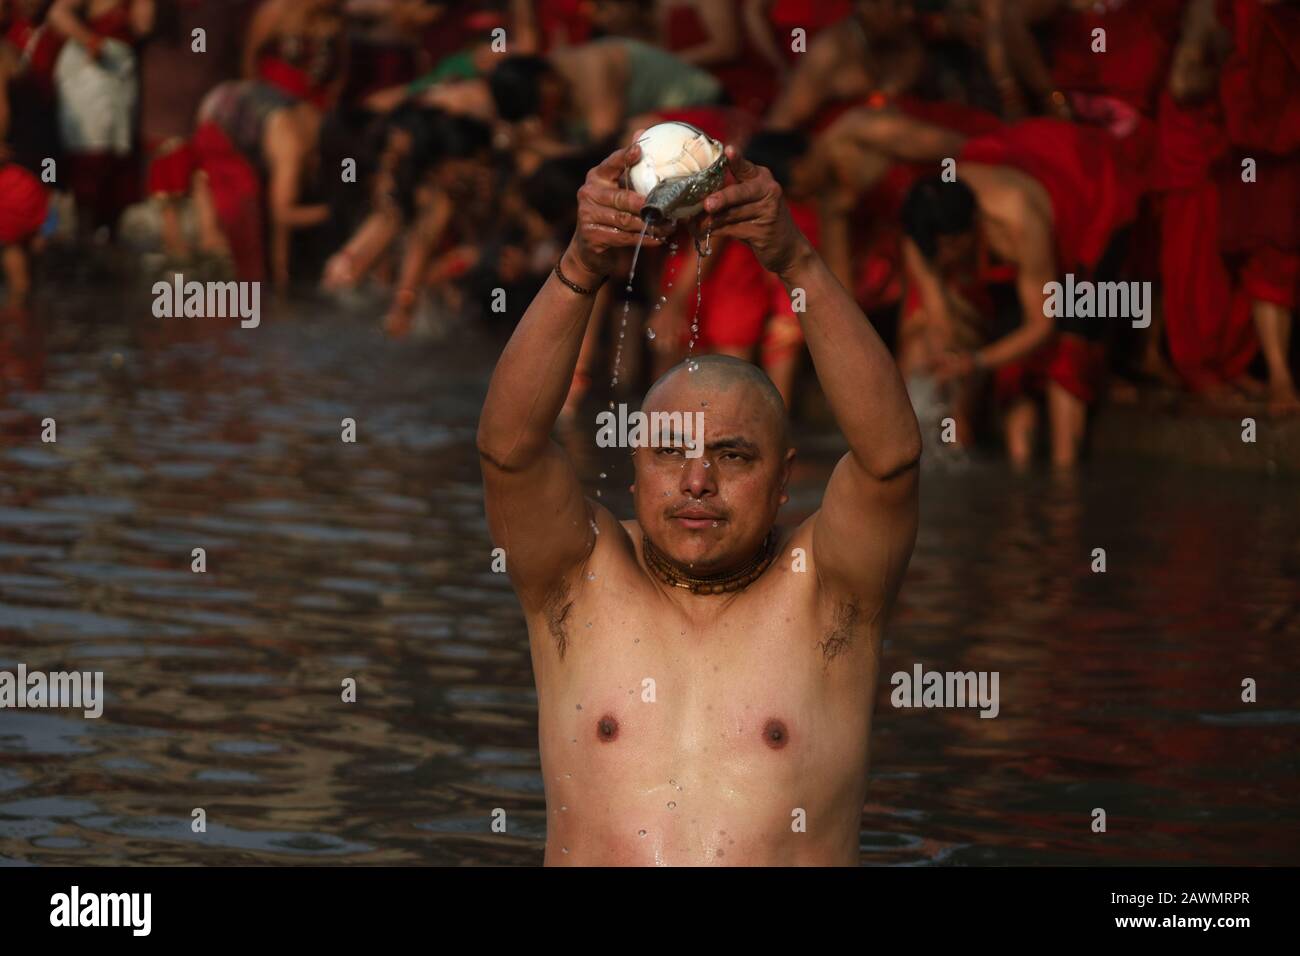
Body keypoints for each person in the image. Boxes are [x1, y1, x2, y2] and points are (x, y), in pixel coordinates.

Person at [477, 138, 921, 866]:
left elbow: (891, 457)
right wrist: (582, 266)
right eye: (670, 453)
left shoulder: (833, 590)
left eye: (732, 456)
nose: (696, 482)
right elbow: (507, 448)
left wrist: (798, 262)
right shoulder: (577, 573)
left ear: (784, 481)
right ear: (634, 467)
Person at [902, 118, 1143, 467]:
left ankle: (1065, 480)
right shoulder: (922, 228)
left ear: (966, 235)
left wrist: (975, 363)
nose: (943, 265)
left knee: (1071, 344)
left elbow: (1042, 325)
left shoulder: (1017, 219)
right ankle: (1020, 474)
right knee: (1011, 367)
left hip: (1094, 193)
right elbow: (941, 320)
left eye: (949, 254)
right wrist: (947, 375)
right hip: (1033, 170)